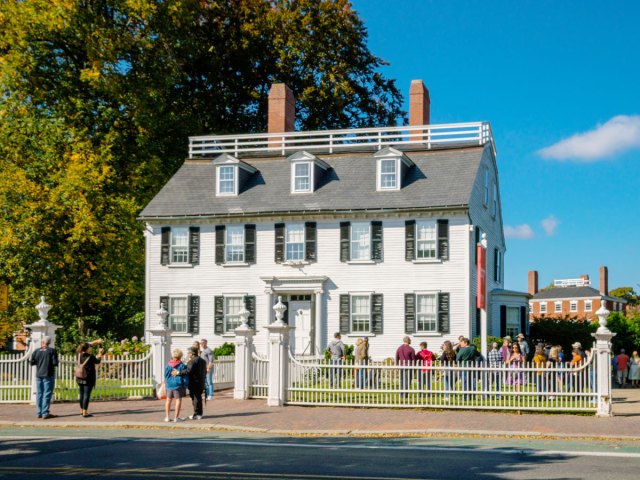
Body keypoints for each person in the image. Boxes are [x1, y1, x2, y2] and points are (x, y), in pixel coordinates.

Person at [30, 336, 59, 419]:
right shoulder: (52, 351)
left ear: (42, 342)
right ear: (49, 342)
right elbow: (55, 363)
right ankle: (45, 413)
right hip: (48, 374)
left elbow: (32, 362)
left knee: (39, 393)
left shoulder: (36, 351)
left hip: (39, 374)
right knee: (47, 393)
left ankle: (39, 412)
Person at [75, 341, 104, 417]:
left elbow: (84, 344)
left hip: (79, 377)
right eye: (89, 347)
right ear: (87, 348)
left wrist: (96, 341)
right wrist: (100, 353)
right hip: (88, 378)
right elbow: (97, 361)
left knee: (81, 394)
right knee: (86, 395)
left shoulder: (78, 355)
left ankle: (81, 410)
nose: (90, 348)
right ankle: (85, 412)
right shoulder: (90, 356)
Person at [164, 349, 188, 422]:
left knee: (168, 400)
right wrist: (186, 384)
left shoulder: (168, 365)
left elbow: (165, 375)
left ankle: (167, 417)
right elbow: (185, 376)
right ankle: (176, 418)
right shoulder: (182, 365)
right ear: (180, 356)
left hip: (169, 384)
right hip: (178, 385)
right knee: (178, 400)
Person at [184, 346, 207, 420]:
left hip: (194, 382)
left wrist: (179, 372)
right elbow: (205, 371)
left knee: (195, 398)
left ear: (191, 353)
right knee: (198, 397)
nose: (188, 354)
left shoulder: (192, 361)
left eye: (189, 353)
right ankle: (199, 413)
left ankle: (197, 414)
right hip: (201, 381)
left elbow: (188, 371)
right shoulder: (203, 361)